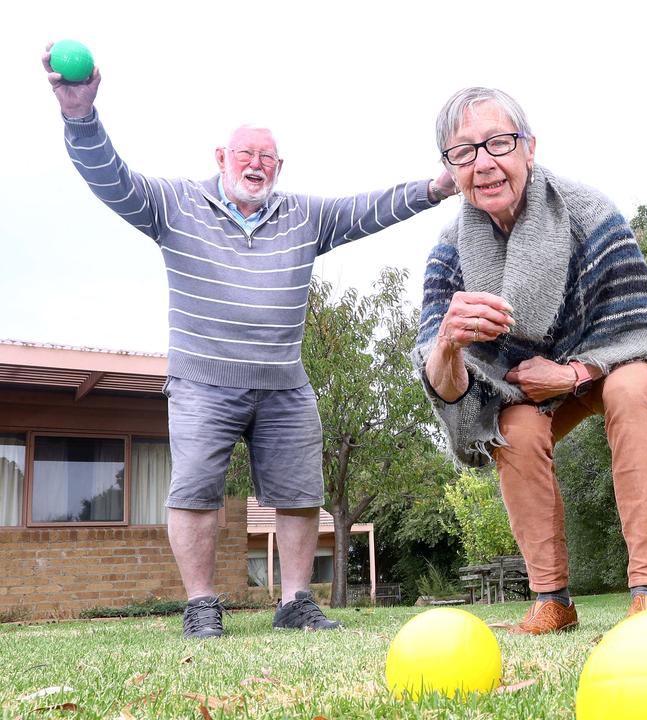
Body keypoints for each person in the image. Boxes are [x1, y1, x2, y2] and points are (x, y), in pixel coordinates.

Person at [43, 46, 458, 638]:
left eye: (267, 157)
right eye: (246, 154)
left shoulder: (304, 216)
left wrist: (435, 188)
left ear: (279, 167)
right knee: (194, 492)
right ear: (221, 158)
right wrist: (80, 115)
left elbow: (367, 209)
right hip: (203, 383)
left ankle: (294, 603)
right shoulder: (175, 204)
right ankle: (203, 605)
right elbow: (111, 180)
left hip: (284, 385)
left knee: (297, 495)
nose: (257, 164)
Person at [412, 87, 647, 634]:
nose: (483, 163)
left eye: (498, 142)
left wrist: (572, 373)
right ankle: (552, 601)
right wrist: (447, 344)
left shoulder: (590, 212)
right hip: (524, 393)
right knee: (511, 428)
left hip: (607, 364)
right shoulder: (449, 251)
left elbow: (640, 330)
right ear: (451, 168)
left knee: (632, 389)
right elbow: (447, 389)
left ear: (528, 149)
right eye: (463, 152)